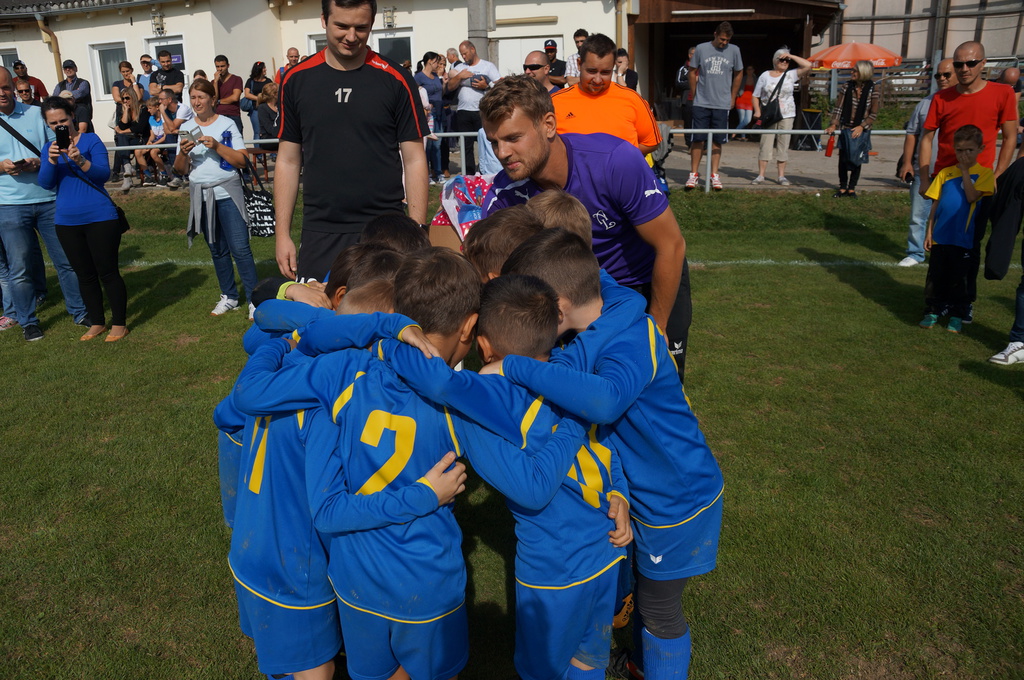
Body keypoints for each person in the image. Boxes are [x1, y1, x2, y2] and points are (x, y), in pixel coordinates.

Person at [233, 248, 482, 680]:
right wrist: (423, 495)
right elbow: (329, 510)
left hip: (258, 540)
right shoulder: (332, 396)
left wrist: (292, 323)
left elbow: (262, 323)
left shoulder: (300, 364)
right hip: (299, 564)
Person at [377, 272, 633, 680]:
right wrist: (619, 491)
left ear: (483, 346)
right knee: (588, 659)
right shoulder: (572, 373)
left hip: (557, 569)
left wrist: (384, 339)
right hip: (607, 551)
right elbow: (606, 445)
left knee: (541, 671)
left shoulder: (488, 400)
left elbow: (532, 489)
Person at [495, 228, 724, 680]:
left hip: (676, 501)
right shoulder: (607, 303)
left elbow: (604, 401)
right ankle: (638, 662)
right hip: (648, 491)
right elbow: (601, 283)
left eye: (531, 313)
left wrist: (513, 366)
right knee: (643, 591)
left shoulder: (629, 341)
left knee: (659, 609)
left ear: (559, 308)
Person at [480, 75, 692, 380]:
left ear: (549, 125)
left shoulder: (614, 161)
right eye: (493, 142)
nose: (502, 153)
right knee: (581, 392)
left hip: (644, 283)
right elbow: (496, 277)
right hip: (574, 298)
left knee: (656, 387)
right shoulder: (504, 195)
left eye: (513, 138)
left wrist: (656, 326)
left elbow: (670, 245)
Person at [274, 0, 429, 283]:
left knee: (386, 310)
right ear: (324, 20)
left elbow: (415, 158)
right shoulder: (296, 79)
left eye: (361, 27)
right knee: (319, 310)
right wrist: (282, 234)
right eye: (342, 26)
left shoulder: (396, 79)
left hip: (385, 228)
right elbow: (287, 160)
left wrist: (417, 228)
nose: (351, 36)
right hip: (321, 228)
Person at [917, 41, 1018, 322]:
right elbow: (926, 138)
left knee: (969, 248)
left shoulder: (1003, 93)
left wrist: (997, 175)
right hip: (946, 182)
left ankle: (962, 304)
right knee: (939, 247)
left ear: (983, 63)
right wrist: (924, 178)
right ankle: (935, 304)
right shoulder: (941, 97)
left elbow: (1010, 136)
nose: (964, 69)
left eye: (971, 63)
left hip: (979, 183)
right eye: (959, 63)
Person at [0, 66, 87, 341]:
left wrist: (40, 161)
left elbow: (59, 145)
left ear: (14, 86)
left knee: (66, 261)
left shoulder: (35, 113)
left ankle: (80, 312)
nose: (2, 93)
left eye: (5, 86)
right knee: (20, 268)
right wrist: (2, 167)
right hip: (9, 204)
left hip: (49, 198)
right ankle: (28, 322)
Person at [37, 96, 128, 342]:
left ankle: (119, 323)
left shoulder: (91, 140)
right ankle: (97, 322)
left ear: (72, 117)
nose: (59, 126)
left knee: (108, 272)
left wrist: (80, 159)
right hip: (66, 221)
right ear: (47, 124)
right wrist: (51, 160)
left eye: (63, 120)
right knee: (84, 275)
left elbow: (103, 175)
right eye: (53, 123)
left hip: (100, 217)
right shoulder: (48, 148)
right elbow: (45, 183)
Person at [174, 78, 258, 317]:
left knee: (240, 248)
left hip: (227, 193)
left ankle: (255, 300)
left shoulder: (227, 123)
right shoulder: (186, 127)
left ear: (212, 99)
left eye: (201, 97)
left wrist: (217, 146)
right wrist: (183, 153)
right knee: (217, 249)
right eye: (193, 97)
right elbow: (180, 170)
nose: (196, 102)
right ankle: (229, 296)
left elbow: (242, 161)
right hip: (201, 196)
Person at [919, 124, 994, 333]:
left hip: (964, 238)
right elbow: (935, 204)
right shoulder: (945, 173)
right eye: (960, 150)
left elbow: (971, 197)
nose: (964, 154)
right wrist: (929, 231)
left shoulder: (985, 174)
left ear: (980, 149)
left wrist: (965, 171)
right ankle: (933, 309)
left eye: (969, 150)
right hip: (941, 236)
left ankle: (957, 313)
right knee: (936, 275)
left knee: (960, 278)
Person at [551, 34, 661, 157]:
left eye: (605, 72)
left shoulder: (633, 99)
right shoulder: (555, 102)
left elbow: (651, 143)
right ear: (579, 64)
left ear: (613, 67)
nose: (597, 80)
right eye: (591, 71)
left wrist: (620, 158)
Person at [897, 59, 956, 267]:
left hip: (954, 173)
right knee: (918, 215)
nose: (942, 79)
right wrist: (907, 163)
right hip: (925, 170)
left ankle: (944, 252)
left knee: (950, 215)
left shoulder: (963, 103)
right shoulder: (925, 104)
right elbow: (912, 134)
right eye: (938, 75)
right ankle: (915, 253)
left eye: (946, 74)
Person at [687, 22, 743, 191]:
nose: (724, 43)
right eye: (722, 39)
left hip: (721, 103)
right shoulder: (701, 48)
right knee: (698, 139)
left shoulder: (734, 50)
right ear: (715, 34)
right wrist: (694, 93)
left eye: (727, 40)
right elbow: (692, 71)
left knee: (718, 140)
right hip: (702, 102)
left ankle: (714, 175)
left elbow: (739, 73)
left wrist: (733, 96)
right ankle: (694, 174)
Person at [750, 49, 812, 186]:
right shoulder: (765, 75)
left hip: (787, 114)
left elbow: (808, 65)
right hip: (769, 115)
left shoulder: (791, 74)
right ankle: (761, 175)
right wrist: (757, 111)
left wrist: (790, 55)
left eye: (787, 61)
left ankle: (781, 176)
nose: (784, 62)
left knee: (783, 144)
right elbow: (755, 95)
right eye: (781, 59)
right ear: (775, 60)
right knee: (765, 144)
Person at [824, 60, 880, 198]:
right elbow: (839, 108)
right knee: (843, 158)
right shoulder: (846, 86)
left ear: (863, 73)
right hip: (846, 127)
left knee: (857, 159)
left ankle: (852, 188)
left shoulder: (873, 88)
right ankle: (842, 187)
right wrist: (834, 124)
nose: (852, 72)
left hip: (862, 129)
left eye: (855, 70)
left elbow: (873, 113)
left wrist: (861, 126)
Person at [447, 40, 500, 176]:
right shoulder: (460, 68)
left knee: (485, 142)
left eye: (465, 53)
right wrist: (460, 76)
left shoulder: (487, 66)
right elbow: (450, 87)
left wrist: (486, 86)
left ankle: (486, 172)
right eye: (461, 54)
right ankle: (469, 174)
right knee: (466, 145)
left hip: (481, 112)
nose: (463, 57)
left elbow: (499, 87)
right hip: (463, 111)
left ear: (473, 49)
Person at [415, 51, 445, 183]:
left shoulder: (436, 76)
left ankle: (438, 173)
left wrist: (444, 83)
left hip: (439, 112)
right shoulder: (419, 77)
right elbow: (416, 95)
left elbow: (440, 92)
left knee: (437, 145)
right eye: (437, 62)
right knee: (427, 146)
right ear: (430, 61)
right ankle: (426, 174)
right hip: (427, 115)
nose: (438, 65)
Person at [113, 86, 150, 192]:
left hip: (142, 139)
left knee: (121, 139)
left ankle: (127, 177)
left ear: (133, 97)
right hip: (130, 139)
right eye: (123, 98)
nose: (125, 101)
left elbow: (139, 128)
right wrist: (126, 111)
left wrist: (122, 131)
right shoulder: (125, 109)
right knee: (120, 138)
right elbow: (122, 126)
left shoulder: (143, 109)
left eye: (127, 98)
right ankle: (127, 167)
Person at [53, 60, 93, 134]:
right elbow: (55, 99)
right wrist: (71, 94)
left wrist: (63, 96)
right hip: (66, 118)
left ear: (76, 69)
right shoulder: (59, 85)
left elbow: (80, 93)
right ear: (64, 71)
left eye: (70, 67)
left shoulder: (83, 83)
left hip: (82, 118)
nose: (68, 69)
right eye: (66, 68)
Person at [213, 55, 244, 135]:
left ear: (228, 66)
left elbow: (235, 97)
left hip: (233, 114)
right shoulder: (214, 82)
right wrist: (215, 82)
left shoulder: (236, 79)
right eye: (217, 67)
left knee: (237, 138)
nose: (220, 69)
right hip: (219, 115)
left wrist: (219, 101)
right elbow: (214, 99)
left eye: (222, 66)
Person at [243, 61, 271, 139]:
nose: (265, 69)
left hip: (267, 109)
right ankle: (258, 147)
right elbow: (247, 94)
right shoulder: (250, 81)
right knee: (257, 131)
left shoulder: (268, 81)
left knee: (268, 130)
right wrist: (259, 98)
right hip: (255, 109)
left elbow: (272, 93)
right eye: (263, 68)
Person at [732, 65, 755, 140]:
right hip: (741, 99)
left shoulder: (756, 79)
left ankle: (734, 132)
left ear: (753, 70)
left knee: (747, 120)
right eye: (748, 69)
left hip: (750, 101)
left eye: (751, 69)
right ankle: (743, 136)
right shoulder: (743, 78)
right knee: (742, 119)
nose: (749, 71)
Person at [256, 82, 279, 154]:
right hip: (268, 139)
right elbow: (269, 128)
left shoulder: (280, 106)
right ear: (274, 94)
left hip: (280, 137)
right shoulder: (262, 108)